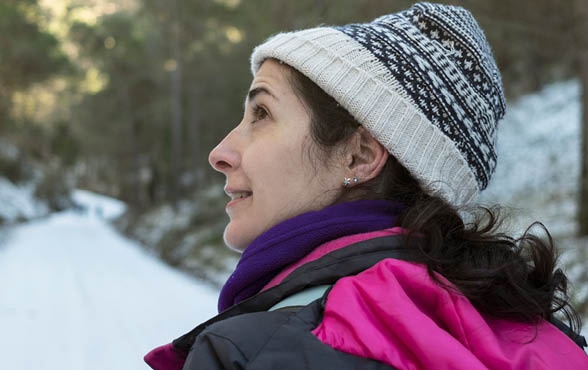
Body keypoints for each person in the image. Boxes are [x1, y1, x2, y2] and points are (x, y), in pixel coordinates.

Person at [145, 2, 588, 369]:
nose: (220, 152)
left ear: (359, 155)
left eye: (262, 114)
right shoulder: (533, 339)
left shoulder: (260, 349)